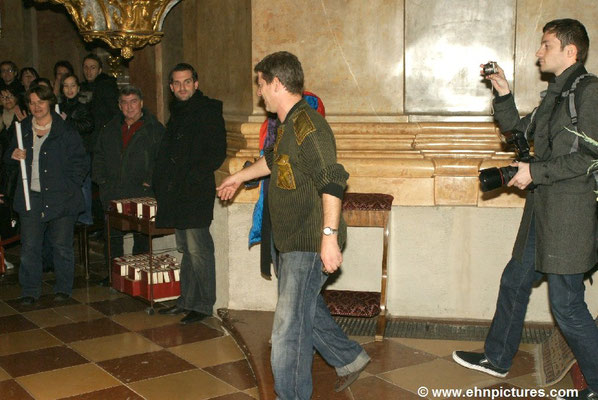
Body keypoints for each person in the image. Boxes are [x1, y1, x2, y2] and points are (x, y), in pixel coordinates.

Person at [452, 19, 598, 400]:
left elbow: (590, 158)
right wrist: (503, 92)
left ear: (571, 51)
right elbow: (518, 132)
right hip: (542, 208)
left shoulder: (589, 92)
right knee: (516, 279)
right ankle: (497, 358)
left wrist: (535, 170)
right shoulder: (556, 94)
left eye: (546, 45)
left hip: (569, 215)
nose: (538, 52)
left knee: (566, 306)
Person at [217, 51, 370, 399]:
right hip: (289, 240)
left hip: (309, 242)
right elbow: (274, 160)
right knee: (306, 310)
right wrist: (239, 177)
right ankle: (349, 358)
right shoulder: (288, 124)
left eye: (261, 84)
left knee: (288, 331)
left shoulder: (309, 126)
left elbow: (333, 179)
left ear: (277, 83)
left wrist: (328, 238)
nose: (259, 93)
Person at [153, 63, 226, 324]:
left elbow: (217, 151)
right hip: (177, 193)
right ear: (172, 88)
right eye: (177, 83)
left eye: (187, 82)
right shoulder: (178, 112)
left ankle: (204, 305)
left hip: (194, 192)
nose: (182, 87)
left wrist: (192, 176)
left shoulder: (207, 110)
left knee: (199, 249)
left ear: (196, 83)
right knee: (185, 248)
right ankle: (186, 300)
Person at [6, 84, 88, 305]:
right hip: (30, 196)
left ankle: (63, 288)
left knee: (61, 246)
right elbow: (7, 160)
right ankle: (30, 290)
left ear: (50, 103)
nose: (36, 107)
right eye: (32, 103)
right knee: (29, 248)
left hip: (61, 198)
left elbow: (80, 162)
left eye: (40, 102)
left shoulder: (65, 130)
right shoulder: (21, 129)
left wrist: (69, 187)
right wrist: (12, 155)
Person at [93, 85, 164, 271]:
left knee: (141, 238)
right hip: (113, 192)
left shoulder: (154, 129)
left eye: (133, 102)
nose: (129, 107)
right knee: (112, 238)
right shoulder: (109, 129)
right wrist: (102, 182)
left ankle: (139, 275)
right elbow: (98, 156)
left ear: (141, 103)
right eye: (124, 103)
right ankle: (113, 276)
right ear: (119, 105)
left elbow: (162, 159)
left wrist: (149, 181)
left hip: (141, 192)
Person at [59, 74, 94, 225]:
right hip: (65, 152)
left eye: (73, 85)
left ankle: (85, 218)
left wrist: (68, 121)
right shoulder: (59, 107)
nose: (69, 89)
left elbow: (88, 126)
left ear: (78, 88)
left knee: (83, 185)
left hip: (81, 152)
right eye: (66, 86)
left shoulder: (83, 106)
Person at [79, 53, 119, 148]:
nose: (88, 71)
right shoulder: (81, 88)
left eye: (92, 68)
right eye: (86, 67)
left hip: (102, 138)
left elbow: (113, 112)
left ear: (99, 70)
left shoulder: (106, 87)